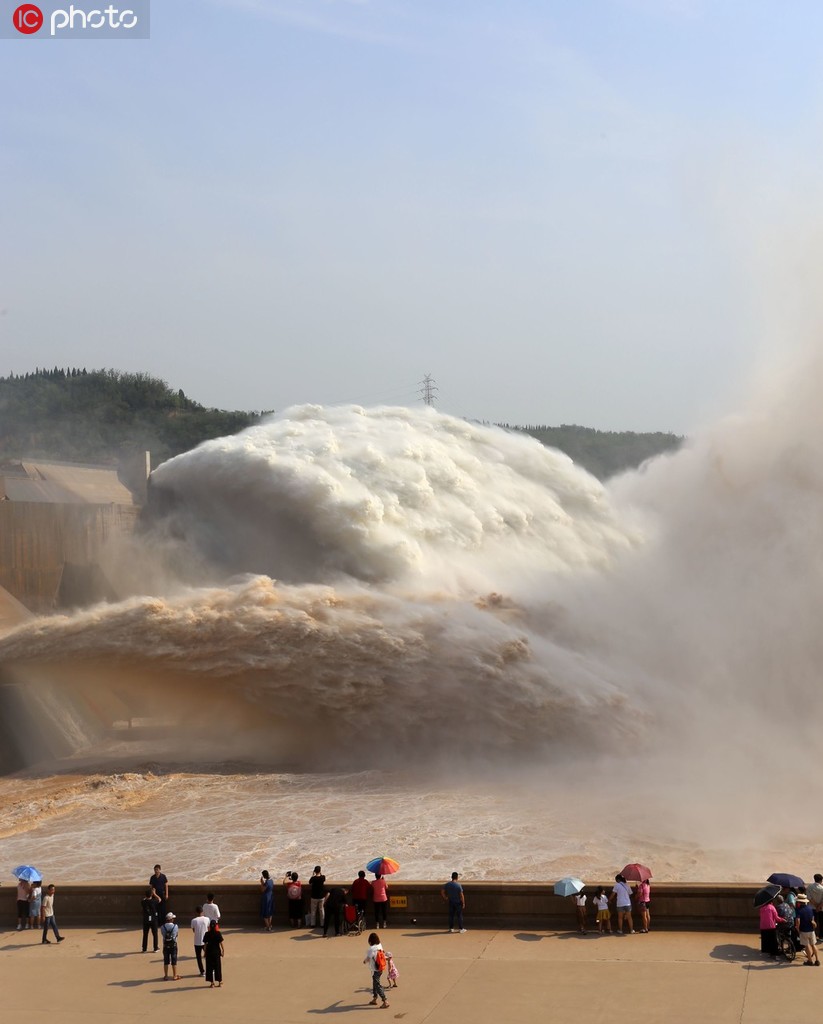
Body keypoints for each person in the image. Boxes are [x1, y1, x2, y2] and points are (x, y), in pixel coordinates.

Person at [363, 931, 390, 1009]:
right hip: (381, 967)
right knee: (375, 982)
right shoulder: (379, 945)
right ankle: (374, 998)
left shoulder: (371, 949)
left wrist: (364, 961)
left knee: (377, 984)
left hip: (375, 969)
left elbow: (368, 959)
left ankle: (385, 1001)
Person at [794, 893, 820, 966]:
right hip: (811, 930)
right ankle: (817, 960)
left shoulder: (798, 910)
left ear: (798, 902)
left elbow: (798, 920)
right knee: (813, 945)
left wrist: (797, 928)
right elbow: (812, 919)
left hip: (804, 930)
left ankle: (810, 961)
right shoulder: (810, 908)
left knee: (807, 945)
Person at [203, 918, 224, 987]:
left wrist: (205, 952)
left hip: (209, 952)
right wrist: (223, 951)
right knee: (217, 967)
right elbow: (221, 943)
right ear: (215, 926)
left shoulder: (207, 934)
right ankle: (219, 982)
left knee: (209, 968)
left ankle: (212, 983)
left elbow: (205, 944)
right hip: (216, 952)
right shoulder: (218, 933)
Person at [159, 911, 180, 980]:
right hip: (173, 945)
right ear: (171, 919)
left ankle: (166, 976)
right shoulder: (175, 926)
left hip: (166, 945)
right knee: (174, 960)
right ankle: (175, 975)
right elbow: (176, 934)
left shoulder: (162, 927)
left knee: (166, 961)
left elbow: (163, 934)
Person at [191, 905, 210, 976]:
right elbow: (208, 929)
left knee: (199, 958)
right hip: (206, 941)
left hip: (197, 942)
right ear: (202, 911)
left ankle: (202, 972)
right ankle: (210, 970)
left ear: (196, 912)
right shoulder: (207, 919)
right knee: (208, 956)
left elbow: (194, 930)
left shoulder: (193, 920)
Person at [141, 887, 161, 953]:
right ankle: (155, 948)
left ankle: (144, 949)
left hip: (146, 920)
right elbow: (159, 899)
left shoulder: (143, 902)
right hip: (153, 920)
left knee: (145, 934)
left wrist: (150, 894)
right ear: (151, 895)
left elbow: (144, 899)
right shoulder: (154, 901)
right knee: (155, 934)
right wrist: (154, 893)